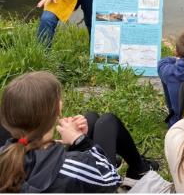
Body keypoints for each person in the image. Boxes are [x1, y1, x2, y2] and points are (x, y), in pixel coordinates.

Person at [0, 71, 159, 192]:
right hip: (95, 178)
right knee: (107, 121)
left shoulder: (5, 155)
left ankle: (137, 166)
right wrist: (80, 141)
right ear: (58, 109)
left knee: (90, 118)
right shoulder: (74, 165)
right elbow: (111, 179)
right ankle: (139, 168)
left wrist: (60, 143)